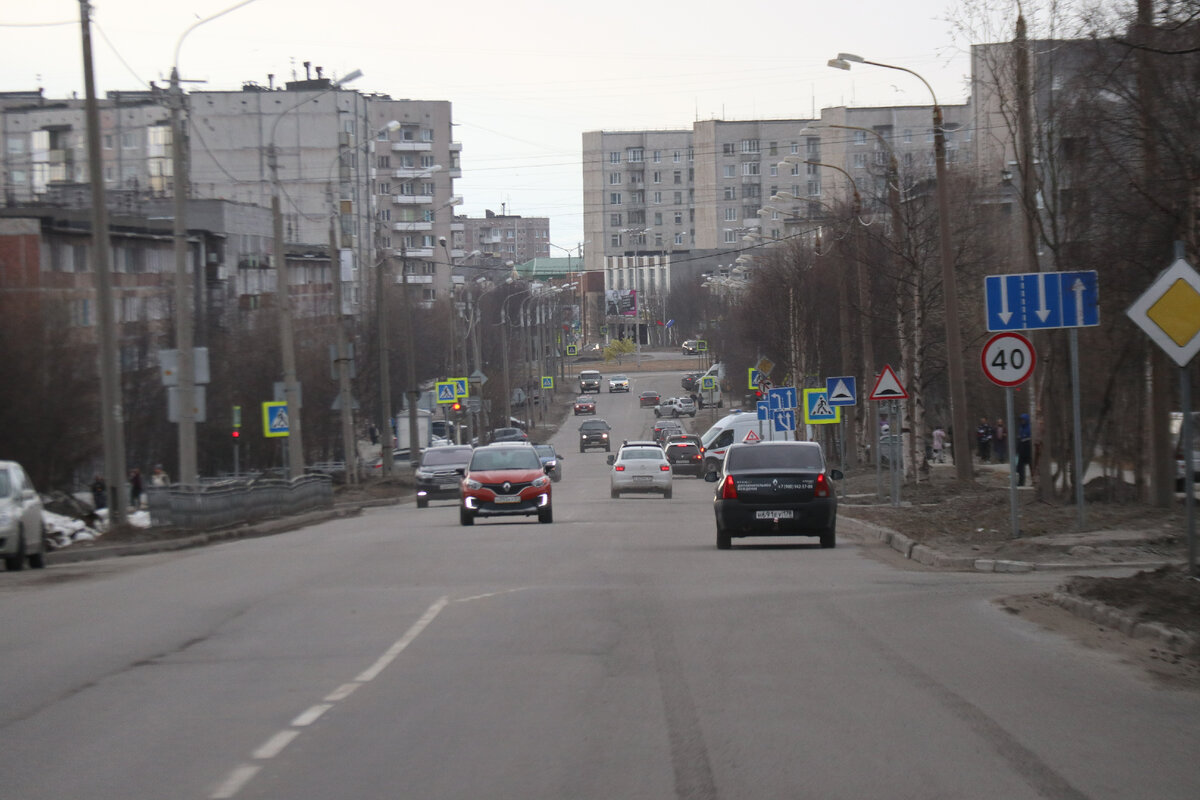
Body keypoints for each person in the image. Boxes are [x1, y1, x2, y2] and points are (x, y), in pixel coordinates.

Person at [1016, 413, 1033, 486]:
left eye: (1023, 419)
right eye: (1021, 420)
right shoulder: (1021, 428)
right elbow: (1020, 438)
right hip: (1022, 448)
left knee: (1031, 466)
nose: (1022, 421)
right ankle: (1021, 482)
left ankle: (1034, 481)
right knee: (1020, 467)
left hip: (1028, 448)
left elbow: (1030, 438)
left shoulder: (1029, 428)